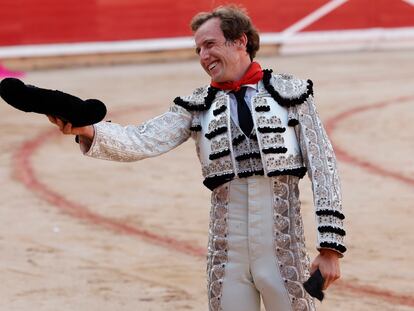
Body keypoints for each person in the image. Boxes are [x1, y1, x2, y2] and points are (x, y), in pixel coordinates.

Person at [48, 5, 346, 311]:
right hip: (226, 254)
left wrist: (330, 247)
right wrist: (87, 129)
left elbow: (323, 167)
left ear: (240, 41)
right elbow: (141, 140)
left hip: (284, 250)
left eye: (210, 45)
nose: (203, 57)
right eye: (198, 49)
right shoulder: (196, 106)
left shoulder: (292, 94)